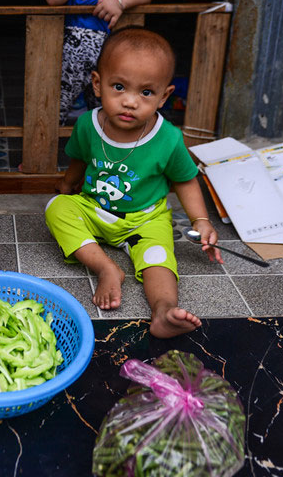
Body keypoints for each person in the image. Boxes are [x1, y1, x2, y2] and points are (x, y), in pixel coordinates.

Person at [44, 27, 222, 338]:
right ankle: (106, 268)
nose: (130, 102)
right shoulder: (87, 125)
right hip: (94, 209)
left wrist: (202, 220)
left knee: (159, 258)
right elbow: (79, 160)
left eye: (146, 93)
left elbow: (186, 182)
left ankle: (164, 309)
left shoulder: (168, 139)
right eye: (119, 87)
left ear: (164, 96)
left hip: (145, 219)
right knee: (57, 209)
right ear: (97, 85)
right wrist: (66, 185)